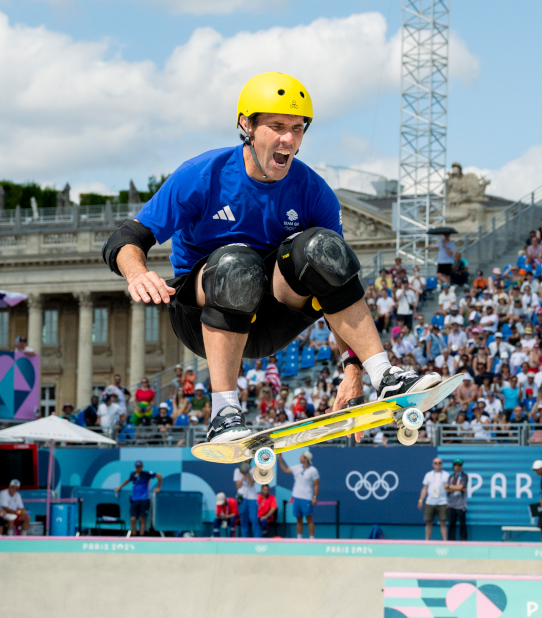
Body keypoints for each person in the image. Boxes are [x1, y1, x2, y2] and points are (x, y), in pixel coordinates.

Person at [102, 71, 440, 445]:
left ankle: (385, 376)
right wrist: (136, 273)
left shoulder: (313, 191)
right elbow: (126, 238)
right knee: (238, 263)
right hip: (203, 317)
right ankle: (223, 413)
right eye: (277, 126)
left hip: (275, 315)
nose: (289, 140)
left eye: (297, 128)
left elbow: (337, 287)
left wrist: (353, 370)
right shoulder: (202, 175)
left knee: (324, 249)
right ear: (246, 125)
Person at [113, 460, 162, 537]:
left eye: (139, 466)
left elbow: (159, 476)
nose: (138, 468)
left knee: (142, 518)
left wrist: (158, 487)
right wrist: (120, 487)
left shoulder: (146, 474)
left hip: (144, 499)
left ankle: (141, 536)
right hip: (134, 499)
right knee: (133, 519)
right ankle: (134, 535)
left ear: (142, 467)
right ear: (135, 467)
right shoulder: (133, 474)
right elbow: (128, 480)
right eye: (137, 466)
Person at [278, 451, 319, 538]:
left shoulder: (313, 470)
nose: (299, 457)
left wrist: (315, 497)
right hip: (296, 497)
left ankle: (312, 538)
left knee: (309, 519)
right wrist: (281, 460)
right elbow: (285, 469)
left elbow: (316, 485)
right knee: (298, 518)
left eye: (301, 456)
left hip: (307, 498)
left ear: (306, 459)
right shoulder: (297, 468)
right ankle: (299, 537)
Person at [419, 457, 449, 540]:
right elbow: (424, 488)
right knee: (428, 522)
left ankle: (445, 542)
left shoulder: (446, 475)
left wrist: (448, 501)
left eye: (439, 463)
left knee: (443, 522)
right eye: (435, 463)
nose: (437, 465)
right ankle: (427, 541)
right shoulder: (428, 475)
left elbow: (449, 490)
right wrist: (421, 500)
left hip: (442, 502)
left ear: (442, 464)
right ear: (433, 465)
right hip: (430, 502)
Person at [233, 461, 261, 537]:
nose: (246, 460)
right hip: (241, 496)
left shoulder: (254, 470)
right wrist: (242, 478)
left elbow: (251, 484)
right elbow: (238, 486)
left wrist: (248, 474)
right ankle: (245, 539)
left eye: (248, 458)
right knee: (243, 519)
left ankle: (257, 539)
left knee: (254, 519)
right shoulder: (237, 470)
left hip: (252, 496)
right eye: (245, 458)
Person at [445, 458, 469, 542]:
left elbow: (461, 487)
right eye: (455, 464)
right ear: (453, 466)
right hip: (451, 504)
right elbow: (447, 489)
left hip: (461, 505)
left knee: (462, 524)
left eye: (459, 465)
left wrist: (450, 487)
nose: (457, 466)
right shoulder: (451, 477)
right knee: (451, 524)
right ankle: (451, 541)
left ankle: (464, 541)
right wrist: (457, 488)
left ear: (461, 466)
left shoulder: (464, 476)